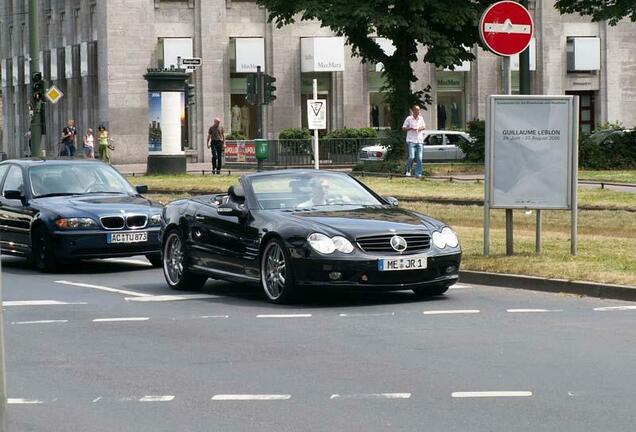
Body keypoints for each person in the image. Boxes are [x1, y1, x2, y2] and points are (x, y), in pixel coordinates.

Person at [402, 105, 426, 178]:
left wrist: (419, 129)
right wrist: (410, 128)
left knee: (419, 158)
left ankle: (418, 173)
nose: (418, 112)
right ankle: (408, 171)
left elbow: (424, 126)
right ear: (413, 111)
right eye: (417, 110)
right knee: (411, 157)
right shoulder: (409, 118)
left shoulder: (421, 118)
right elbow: (403, 128)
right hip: (411, 140)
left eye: (419, 110)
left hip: (419, 140)